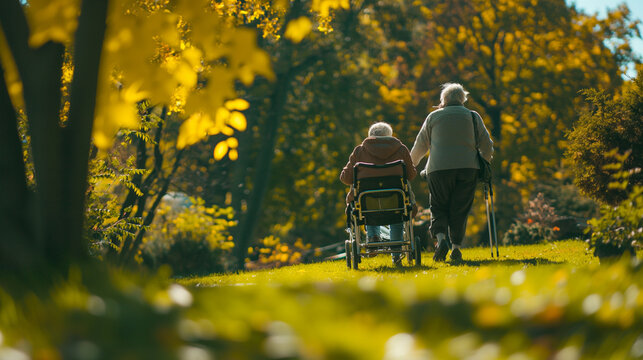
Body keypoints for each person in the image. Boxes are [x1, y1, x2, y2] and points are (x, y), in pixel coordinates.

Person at [410, 83, 493, 262]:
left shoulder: (433, 117)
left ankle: (441, 241)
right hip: (468, 169)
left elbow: (420, 145)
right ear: (463, 99)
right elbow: (487, 145)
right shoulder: (472, 116)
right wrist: (484, 163)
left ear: (443, 100)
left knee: (438, 206)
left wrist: (410, 166)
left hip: (438, 170)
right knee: (460, 208)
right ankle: (456, 247)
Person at [340, 122, 417, 262]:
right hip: (396, 198)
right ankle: (396, 253)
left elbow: (346, 178)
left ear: (370, 136)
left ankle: (373, 237)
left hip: (367, 202)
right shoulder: (401, 150)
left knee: (367, 202)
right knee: (398, 210)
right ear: (389, 136)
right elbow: (411, 176)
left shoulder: (359, 151)